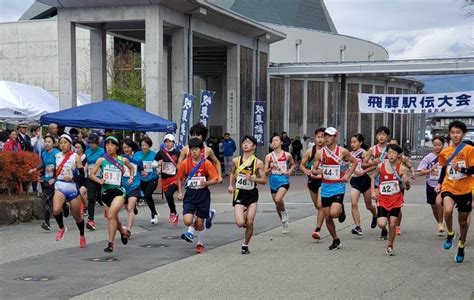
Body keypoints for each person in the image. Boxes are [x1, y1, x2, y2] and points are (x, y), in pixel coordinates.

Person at [311, 127, 357, 250]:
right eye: (325, 135)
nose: (326, 138)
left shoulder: (342, 151)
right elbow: (313, 170)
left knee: (334, 213)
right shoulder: (320, 153)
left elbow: (355, 162)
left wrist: (347, 175)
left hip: (338, 186)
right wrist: (318, 171)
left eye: (329, 136)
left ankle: (341, 210)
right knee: (328, 216)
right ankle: (335, 239)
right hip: (326, 186)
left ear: (335, 137)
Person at [436, 121, 474, 263]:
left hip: (464, 189)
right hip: (449, 186)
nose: (455, 135)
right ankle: (450, 233)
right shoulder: (445, 152)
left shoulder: (469, 150)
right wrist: (440, 184)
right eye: (452, 132)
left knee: (463, 222)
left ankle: (461, 245)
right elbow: (444, 170)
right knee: (447, 210)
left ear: (463, 134)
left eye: (458, 132)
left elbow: (473, 169)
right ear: (449, 134)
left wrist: (462, 169)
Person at [89, 136, 135, 253]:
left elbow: (131, 168)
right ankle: (123, 233)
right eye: (107, 145)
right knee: (114, 217)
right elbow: (92, 174)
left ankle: (111, 244)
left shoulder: (122, 160)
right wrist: (99, 181)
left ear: (117, 147)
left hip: (118, 191)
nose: (109, 147)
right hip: (105, 192)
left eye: (112, 145)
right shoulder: (101, 160)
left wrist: (131, 177)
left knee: (110, 216)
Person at [178, 123, 222, 242]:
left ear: (203, 136)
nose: (195, 137)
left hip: (203, 184)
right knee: (192, 217)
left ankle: (195, 237)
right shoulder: (185, 149)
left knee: (199, 219)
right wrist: (181, 175)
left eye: (198, 135)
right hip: (191, 186)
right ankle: (204, 218)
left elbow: (216, 162)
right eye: (193, 135)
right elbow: (179, 163)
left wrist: (219, 176)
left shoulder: (208, 150)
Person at [228, 135, 267, 254]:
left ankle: (245, 245)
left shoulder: (258, 163)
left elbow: (264, 180)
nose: (245, 144)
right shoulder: (236, 160)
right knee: (240, 223)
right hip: (239, 193)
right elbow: (232, 173)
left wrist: (254, 179)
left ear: (254, 146)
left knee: (249, 222)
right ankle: (244, 213)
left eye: (248, 143)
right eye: (244, 142)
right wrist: (230, 185)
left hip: (252, 194)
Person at [370, 144, 409, 256]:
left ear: (398, 155)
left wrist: (406, 183)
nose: (391, 155)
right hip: (383, 198)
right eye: (389, 152)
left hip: (395, 199)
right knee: (382, 224)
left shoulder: (402, 168)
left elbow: (406, 186)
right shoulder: (381, 166)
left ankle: (390, 244)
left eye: (394, 153)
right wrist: (373, 191)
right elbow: (373, 177)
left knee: (392, 224)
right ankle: (385, 221)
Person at [51, 134, 87, 248]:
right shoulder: (56, 156)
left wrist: (72, 178)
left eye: (65, 142)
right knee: (56, 210)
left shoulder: (75, 157)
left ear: (70, 144)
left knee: (77, 216)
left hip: (71, 186)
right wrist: (52, 177)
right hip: (60, 185)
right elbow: (54, 171)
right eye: (61, 143)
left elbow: (82, 175)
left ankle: (82, 235)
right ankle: (61, 228)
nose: (62, 145)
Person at [362, 126, 390, 240]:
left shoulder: (391, 148)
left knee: (391, 205)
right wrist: (373, 163)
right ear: (376, 136)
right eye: (379, 134)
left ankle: (392, 224)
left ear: (387, 136)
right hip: (378, 181)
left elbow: (400, 161)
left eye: (384, 134)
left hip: (391, 181)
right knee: (380, 204)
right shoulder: (373, 149)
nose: (381, 136)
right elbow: (363, 164)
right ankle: (383, 229)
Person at [264, 134, 296, 233]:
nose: (274, 142)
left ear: (281, 142)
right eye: (273, 141)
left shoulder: (287, 155)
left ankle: (285, 212)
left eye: (276, 140)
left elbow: (293, 164)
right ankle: (284, 223)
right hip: (273, 181)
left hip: (284, 180)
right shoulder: (269, 156)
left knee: (278, 199)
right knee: (277, 204)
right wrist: (270, 168)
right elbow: (265, 171)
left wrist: (290, 171)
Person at [28, 135, 60, 231]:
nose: (46, 143)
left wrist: (53, 168)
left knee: (58, 200)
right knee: (46, 199)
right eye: (45, 142)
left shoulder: (57, 153)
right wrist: (35, 169)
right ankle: (47, 222)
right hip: (47, 179)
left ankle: (65, 206)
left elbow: (61, 165)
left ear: (53, 143)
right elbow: (43, 164)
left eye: (49, 142)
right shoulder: (44, 153)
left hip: (57, 179)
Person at [299, 128, 325, 240]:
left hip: (324, 182)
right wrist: (306, 171)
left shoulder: (329, 152)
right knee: (317, 206)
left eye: (323, 136)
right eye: (318, 137)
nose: (320, 139)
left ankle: (317, 230)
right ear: (315, 138)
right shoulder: (310, 151)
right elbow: (301, 165)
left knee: (320, 205)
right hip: (312, 181)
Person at [416, 136, 445, 235]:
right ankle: (439, 223)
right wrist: (430, 170)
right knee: (434, 207)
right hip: (431, 184)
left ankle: (441, 222)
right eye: (435, 145)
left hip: (444, 185)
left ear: (443, 145)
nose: (437, 147)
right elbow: (420, 172)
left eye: (439, 145)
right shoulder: (428, 157)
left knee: (439, 203)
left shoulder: (447, 155)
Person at [349, 133, 377, 235]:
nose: (352, 144)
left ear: (360, 142)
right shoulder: (350, 154)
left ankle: (375, 215)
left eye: (355, 142)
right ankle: (358, 227)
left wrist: (363, 171)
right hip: (355, 181)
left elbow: (373, 166)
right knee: (353, 203)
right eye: (351, 142)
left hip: (365, 180)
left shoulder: (364, 153)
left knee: (369, 206)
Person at [155, 134, 180, 226]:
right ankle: (174, 212)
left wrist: (179, 166)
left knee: (169, 194)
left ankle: (172, 213)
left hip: (175, 177)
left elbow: (182, 163)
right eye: (166, 141)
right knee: (168, 197)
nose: (168, 143)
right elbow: (154, 163)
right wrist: (158, 164)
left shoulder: (177, 152)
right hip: (165, 178)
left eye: (170, 141)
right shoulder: (161, 153)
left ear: (173, 143)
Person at [134, 136, 160, 224]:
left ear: (149, 145)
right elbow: (133, 166)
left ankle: (153, 214)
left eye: (146, 145)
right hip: (141, 179)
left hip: (152, 178)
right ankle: (154, 211)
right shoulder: (137, 155)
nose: (144, 147)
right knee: (143, 195)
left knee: (148, 195)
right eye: (142, 145)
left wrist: (158, 164)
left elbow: (159, 163)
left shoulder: (154, 154)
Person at [121, 138, 142, 232]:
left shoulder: (137, 157)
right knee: (127, 207)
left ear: (132, 147)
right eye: (124, 147)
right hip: (123, 187)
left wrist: (143, 172)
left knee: (130, 208)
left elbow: (141, 168)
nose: (126, 149)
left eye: (128, 147)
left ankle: (128, 229)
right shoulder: (119, 158)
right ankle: (134, 209)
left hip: (134, 186)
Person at [85, 133, 105, 230]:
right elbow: (85, 163)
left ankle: (107, 209)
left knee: (101, 198)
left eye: (94, 143)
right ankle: (91, 219)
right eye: (90, 143)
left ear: (97, 143)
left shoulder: (102, 151)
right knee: (91, 198)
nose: (92, 145)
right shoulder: (87, 151)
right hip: (90, 178)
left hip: (100, 177)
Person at [73, 140, 88, 216]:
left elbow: (84, 171)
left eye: (78, 147)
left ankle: (86, 207)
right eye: (75, 147)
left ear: (82, 148)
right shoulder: (73, 157)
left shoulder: (85, 157)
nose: (77, 149)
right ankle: (78, 210)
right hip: (76, 179)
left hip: (85, 179)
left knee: (81, 193)